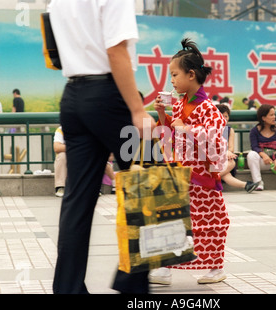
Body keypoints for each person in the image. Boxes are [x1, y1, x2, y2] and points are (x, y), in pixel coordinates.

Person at [48, 0, 156, 294]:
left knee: (77, 199)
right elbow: (116, 50)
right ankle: (132, 283)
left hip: (72, 97)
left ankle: (68, 288)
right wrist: (137, 109)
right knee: (148, 182)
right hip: (110, 96)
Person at [152, 38, 229, 285]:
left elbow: (216, 139)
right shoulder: (181, 104)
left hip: (202, 177)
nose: (172, 81)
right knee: (174, 219)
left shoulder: (208, 108)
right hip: (183, 173)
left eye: (175, 75)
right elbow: (169, 134)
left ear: (191, 74)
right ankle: (165, 268)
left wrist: (185, 128)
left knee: (212, 223)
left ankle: (215, 267)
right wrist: (163, 115)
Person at [216, 104, 258, 192]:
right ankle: (246, 185)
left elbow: (231, 149)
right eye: (221, 116)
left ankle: (246, 185)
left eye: (226, 116)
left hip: (224, 159)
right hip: (211, 160)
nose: (224, 118)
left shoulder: (229, 130)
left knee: (230, 163)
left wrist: (226, 152)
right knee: (228, 168)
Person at [53, 126, 66, 198]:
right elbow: (57, 147)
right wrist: (75, 147)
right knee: (62, 155)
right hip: (68, 159)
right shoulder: (61, 130)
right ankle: (60, 187)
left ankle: (94, 187)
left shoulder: (86, 128)